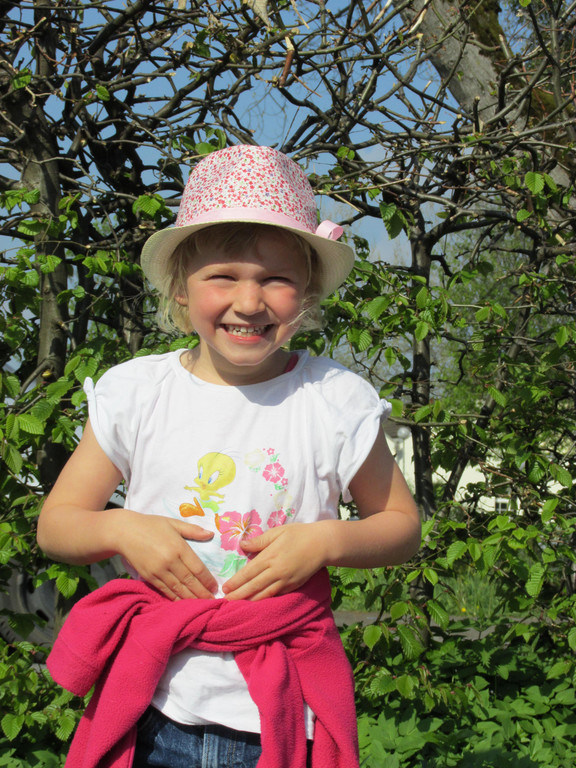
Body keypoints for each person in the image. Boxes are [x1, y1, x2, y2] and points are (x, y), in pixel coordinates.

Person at [38, 145, 421, 768]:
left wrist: (326, 541)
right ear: (179, 288)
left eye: (275, 279)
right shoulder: (137, 392)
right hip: (155, 705)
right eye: (222, 276)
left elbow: (401, 526)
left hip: (282, 709)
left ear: (307, 291)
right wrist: (122, 528)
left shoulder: (334, 399)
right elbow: (57, 525)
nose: (248, 301)